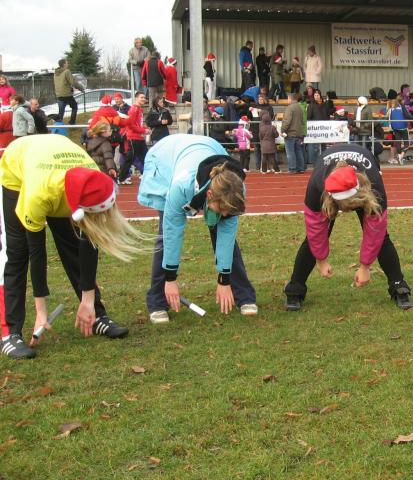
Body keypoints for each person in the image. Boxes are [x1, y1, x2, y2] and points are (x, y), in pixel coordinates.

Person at [1, 134, 144, 359]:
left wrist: (88, 300)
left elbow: (89, 242)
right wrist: (41, 312)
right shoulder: (39, 194)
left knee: (73, 245)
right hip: (18, 169)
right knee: (19, 252)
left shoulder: (93, 178)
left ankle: (95, 315)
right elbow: (38, 253)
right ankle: (11, 333)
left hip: (60, 172)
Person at [138, 135, 256, 323]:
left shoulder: (235, 187)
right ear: (209, 194)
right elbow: (172, 233)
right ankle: (158, 302)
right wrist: (170, 279)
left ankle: (243, 294)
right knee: (165, 235)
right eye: (222, 209)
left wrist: (224, 280)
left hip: (208, 147)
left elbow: (226, 235)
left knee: (224, 232)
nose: (225, 214)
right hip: (166, 156)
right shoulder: (181, 186)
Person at [283, 144, 413, 311]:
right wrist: (321, 260)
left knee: (382, 238)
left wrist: (365, 267)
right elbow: (316, 230)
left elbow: (375, 231)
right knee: (311, 239)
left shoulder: (374, 184)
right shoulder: (317, 185)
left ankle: (399, 287)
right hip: (328, 191)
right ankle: (295, 289)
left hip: (364, 186)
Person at [118, 91, 149, 185]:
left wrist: (145, 129)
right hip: (133, 138)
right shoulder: (134, 109)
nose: (143, 99)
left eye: (144, 97)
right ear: (136, 98)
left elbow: (137, 124)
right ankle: (121, 178)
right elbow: (130, 125)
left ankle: (147, 174)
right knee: (130, 158)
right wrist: (143, 130)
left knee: (146, 157)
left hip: (139, 137)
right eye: (141, 97)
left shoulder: (139, 109)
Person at [282, 92, 306, 173]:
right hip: (299, 133)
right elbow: (302, 121)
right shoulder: (300, 107)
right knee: (298, 151)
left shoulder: (289, 108)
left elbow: (287, 121)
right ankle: (301, 168)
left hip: (290, 133)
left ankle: (292, 168)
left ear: (290, 98)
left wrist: (283, 130)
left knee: (290, 152)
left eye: (288, 98)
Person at [388, 95, 413, 165]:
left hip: (395, 128)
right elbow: (408, 116)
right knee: (407, 144)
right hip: (403, 127)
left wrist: (392, 128)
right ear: (402, 100)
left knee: (398, 143)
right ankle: (401, 155)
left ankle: (399, 156)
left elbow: (390, 119)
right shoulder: (403, 107)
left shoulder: (391, 108)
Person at [53, 58, 79, 124]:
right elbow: (73, 82)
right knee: (74, 106)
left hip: (59, 95)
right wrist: (81, 88)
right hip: (67, 94)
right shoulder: (67, 71)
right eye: (67, 63)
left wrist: (70, 88)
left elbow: (62, 83)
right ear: (64, 64)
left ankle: (58, 125)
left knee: (61, 112)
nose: (68, 64)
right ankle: (72, 122)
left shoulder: (55, 73)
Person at [259, 109, 281, 173]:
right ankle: (277, 170)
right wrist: (275, 128)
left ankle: (264, 170)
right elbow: (276, 135)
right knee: (272, 158)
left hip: (264, 145)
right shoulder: (272, 127)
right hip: (271, 144)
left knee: (264, 158)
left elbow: (260, 137)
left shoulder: (261, 128)